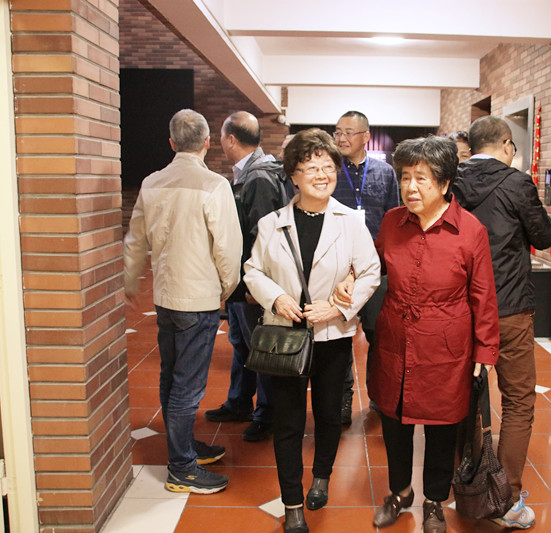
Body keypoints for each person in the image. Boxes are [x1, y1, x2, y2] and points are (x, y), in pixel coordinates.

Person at [243, 129, 381, 533]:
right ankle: (292, 504)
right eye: (311, 167)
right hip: (285, 337)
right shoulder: (272, 224)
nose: (322, 175)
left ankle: (321, 477)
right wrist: (275, 298)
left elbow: (370, 271)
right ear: (294, 176)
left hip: (332, 336)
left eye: (328, 166)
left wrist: (337, 307)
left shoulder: (351, 222)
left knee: (327, 414)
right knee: (287, 421)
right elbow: (253, 270)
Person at [368, 136, 499, 533]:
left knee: (442, 427)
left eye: (421, 178)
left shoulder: (470, 230)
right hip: (395, 340)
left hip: (446, 345)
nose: (410, 187)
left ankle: (434, 501)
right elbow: (372, 266)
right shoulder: (392, 222)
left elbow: (483, 296)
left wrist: (485, 352)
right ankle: (400, 492)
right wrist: (348, 278)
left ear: (444, 183)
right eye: (405, 177)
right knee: (394, 422)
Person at [123, 109, 242, 493]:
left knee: (170, 377)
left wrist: (129, 281)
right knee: (188, 388)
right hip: (198, 299)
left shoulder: (151, 182)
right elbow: (229, 248)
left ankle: (184, 445)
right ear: (207, 142)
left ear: (172, 143)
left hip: (164, 296)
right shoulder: (214, 185)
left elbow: (135, 240)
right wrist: (226, 289)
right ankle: (182, 468)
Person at [453, 115, 551, 529]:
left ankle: (468, 486)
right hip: (509, 307)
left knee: (466, 398)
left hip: (462, 309)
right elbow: (544, 236)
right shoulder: (517, 183)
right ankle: (506, 498)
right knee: (518, 400)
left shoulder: (450, 182)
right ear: (507, 145)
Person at [205, 111, 293, 442]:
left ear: (230, 140)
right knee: (242, 345)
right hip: (244, 281)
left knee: (260, 347)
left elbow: (262, 237)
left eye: (221, 137)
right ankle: (239, 402)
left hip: (253, 283)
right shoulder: (258, 172)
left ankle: (266, 414)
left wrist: (258, 286)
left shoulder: (258, 178)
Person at [331, 110, 400, 424]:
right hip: (337, 267)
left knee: (379, 335)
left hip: (375, 269)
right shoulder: (330, 170)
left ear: (366, 137)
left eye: (349, 132)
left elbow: (394, 218)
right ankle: (342, 399)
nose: (342, 138)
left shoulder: (385, 173)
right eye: (338, 132)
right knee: (338, 337)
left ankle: (378, 396)